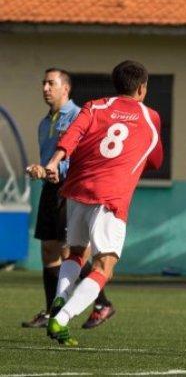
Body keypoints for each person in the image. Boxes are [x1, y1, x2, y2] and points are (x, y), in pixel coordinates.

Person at [43, 60, 163, 346]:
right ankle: (63, 318)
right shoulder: (150, 116)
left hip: (77, 189)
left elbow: (72, 134)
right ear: (142, 88)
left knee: (75, 253)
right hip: (110, 196)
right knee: (105, 266)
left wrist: (55, 161)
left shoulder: (94, 106)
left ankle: (59, 301)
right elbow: (156, 160)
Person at [23, 68, 115, 330]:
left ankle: (102, 303)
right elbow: (50, 160)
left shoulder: (79, 116)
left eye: (51, 83)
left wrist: (57, 170)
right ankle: (52, 310)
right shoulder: (44, 122)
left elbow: (81, 156)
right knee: (49, 251)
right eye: (43, 83)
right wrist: (40, 169)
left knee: (69, 251)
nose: (45, 88)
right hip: (50, 190)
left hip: (71, 188)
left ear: (66, 88)